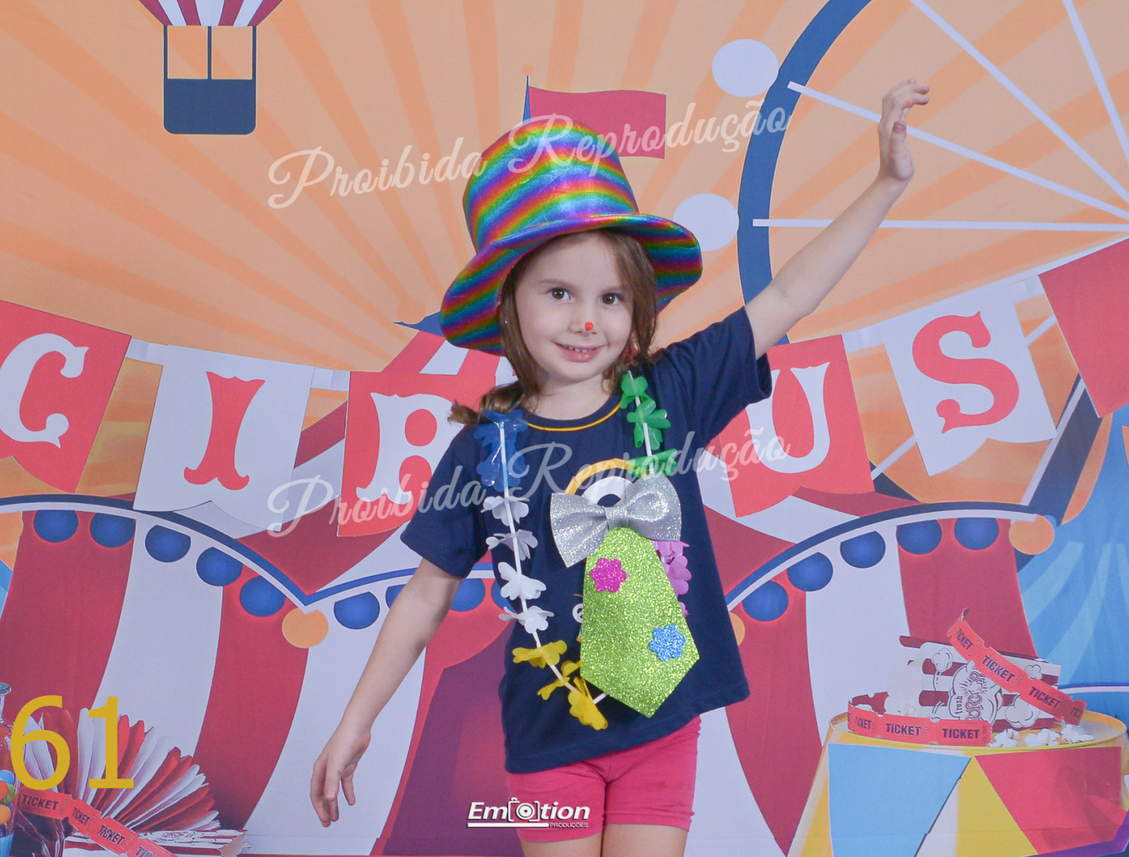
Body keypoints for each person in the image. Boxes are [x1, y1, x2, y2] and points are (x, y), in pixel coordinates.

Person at [311, 78, 930, 856]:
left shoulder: (672, 391)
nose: (586, 319)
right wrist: (355, 720)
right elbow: (427, 592)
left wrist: (885, 182)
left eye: (611, 297)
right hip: (549, 735)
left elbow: (788, 294)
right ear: (510, 304)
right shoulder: (483, 447)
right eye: (559, 292)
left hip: (661, 725)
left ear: (637, 306)